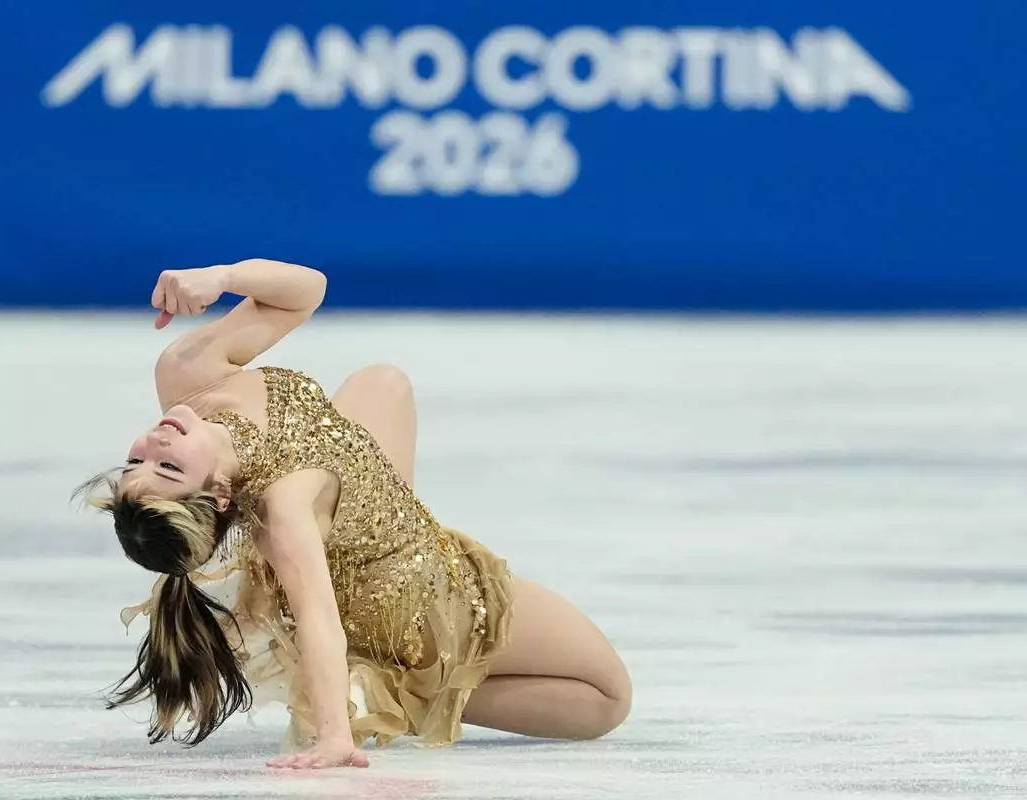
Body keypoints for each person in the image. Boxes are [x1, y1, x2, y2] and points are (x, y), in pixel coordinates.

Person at [78, 259, 632, 769]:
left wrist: (223, 277)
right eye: (168, 468)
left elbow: (307, 291)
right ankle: (414, 689)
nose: (156, 440)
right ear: (219, 494)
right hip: (413, 599)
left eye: (135, 460)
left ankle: (374, 537)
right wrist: (335, 736)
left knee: (382, 382)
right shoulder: (284, 506)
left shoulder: (187, 375)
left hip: (375, 513)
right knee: (608, 700)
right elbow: (318, 618)